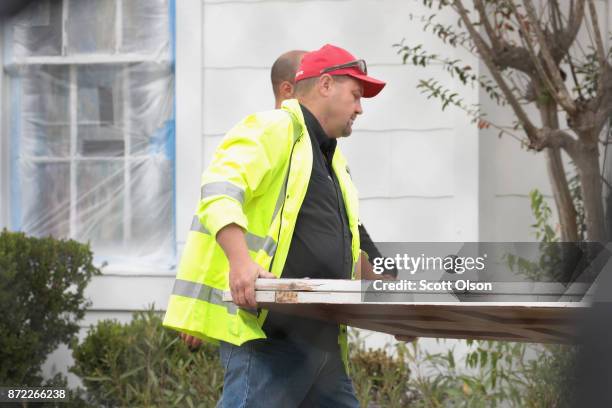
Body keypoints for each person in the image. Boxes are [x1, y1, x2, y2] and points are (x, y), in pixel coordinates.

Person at [164, 43, 385, 407]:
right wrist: (240, 262)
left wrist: (394, 307)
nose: (360, 108)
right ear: (326, 85)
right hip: (271, 338)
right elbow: (219, 191)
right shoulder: (274, 126)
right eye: (356, 95)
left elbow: (346, 249)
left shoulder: (332, 161)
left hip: (324, 346)